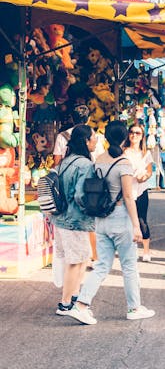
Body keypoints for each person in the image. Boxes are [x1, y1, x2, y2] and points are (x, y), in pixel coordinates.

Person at [67, 120, 155, 325]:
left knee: (101, 265)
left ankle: (81, 305)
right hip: (120, 217)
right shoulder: (123, 163)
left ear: (106, 138)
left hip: (101, 218)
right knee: (129, 265)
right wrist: (136, 225)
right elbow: (127, 196)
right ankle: (134, 307)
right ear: (124, 138)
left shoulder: (98, 159)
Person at [51, 125, 97, 316]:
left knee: (81, 256)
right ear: (86, 141)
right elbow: (80, 195)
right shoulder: (85, 165)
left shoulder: (65, 161)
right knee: (76, 260)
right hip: (75, 219)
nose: (96, 141)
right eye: (94, 138)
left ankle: (74, 295)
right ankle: (65, 302)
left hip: (60, 217)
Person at [123, 123, 153, 263]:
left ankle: (146, 250)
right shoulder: (123, 151)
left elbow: (149, 171)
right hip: (127, 190)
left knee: (142, 220)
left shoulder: (146, 153)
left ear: (142, 136)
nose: (134, 135)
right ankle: (132, 249)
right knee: (128, 221)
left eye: (137, 133)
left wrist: (144, 177)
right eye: (132, 132)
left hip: (141, 190)